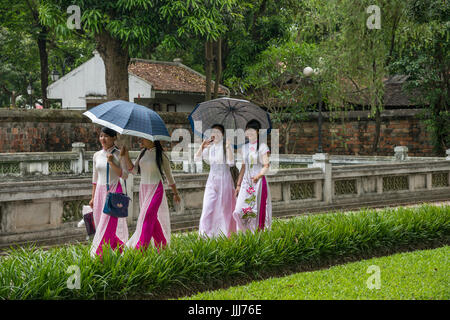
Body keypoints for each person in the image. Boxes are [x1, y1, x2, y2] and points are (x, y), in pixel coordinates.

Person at [123, 138, 180, 250]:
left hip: (156, 189)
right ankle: (163, 246)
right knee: (152, 219)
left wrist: (175, 193)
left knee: (147, 218)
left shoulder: (161, 155)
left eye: (143, 138)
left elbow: (169, 177)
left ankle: (140, 250)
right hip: (143, 189)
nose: (141, 140)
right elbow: (134, 171)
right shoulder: (142, 153)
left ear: (152, 140)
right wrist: (126, 155)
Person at [89, 127, 129, 258]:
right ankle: (124, 251)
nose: (103, 139)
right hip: (100, 193)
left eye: (106, 136)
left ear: (114, 138)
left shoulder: (119, 154)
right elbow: (94, 179)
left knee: (108, 226)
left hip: (113, 192)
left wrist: (111, 162)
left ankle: (98, 257)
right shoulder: (96, 155)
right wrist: (93, 197)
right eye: (101, 136)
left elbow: (124, 175)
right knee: (101, 224)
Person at [194, 124, 237, 238]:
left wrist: (228, 147)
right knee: (208, 208)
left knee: (224, 210)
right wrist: (202, 147)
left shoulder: (226, 146)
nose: (215, 134)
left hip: (225, 181)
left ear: (222, 135)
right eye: (213, 132)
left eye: (218, 132)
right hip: (212, 182)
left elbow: (231, 163)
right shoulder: (210, 148)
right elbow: (196, 159)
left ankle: (225, 235)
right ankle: (205, 236)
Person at [233, 119, 272, 233]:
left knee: (256, 212)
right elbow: (243, 167)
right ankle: (245, 233)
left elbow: (266, 165)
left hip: (258, 183)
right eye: (247, 130)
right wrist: (238, 185)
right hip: (246, 182)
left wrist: (258, 176)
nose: (249, 133)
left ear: (257, 132)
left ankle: (257, 237)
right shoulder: (244, 148)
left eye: (252, 130)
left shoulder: (263, 147)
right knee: (239, 210)